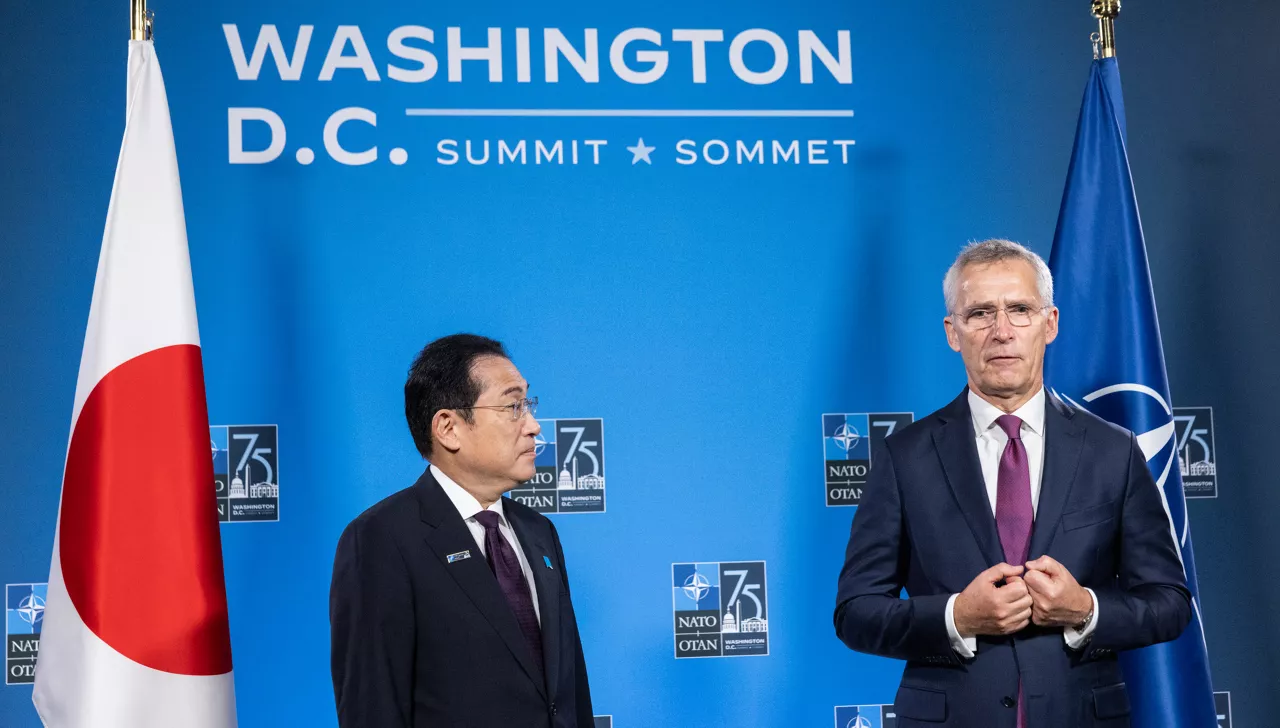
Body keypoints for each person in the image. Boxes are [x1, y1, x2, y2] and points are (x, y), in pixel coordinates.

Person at [833, 239, 1190, 727]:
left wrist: (1083, 609)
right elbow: (856, 612)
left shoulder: (1115, 451)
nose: (1001, 331)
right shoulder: (903, 458)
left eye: (1019, 309)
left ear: (1050, 323)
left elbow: (1169, 602)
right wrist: (957, 617)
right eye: (980, 313)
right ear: (952, 332)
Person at [331, 334, 594, 727]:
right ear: (448, 428)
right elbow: (374, 709)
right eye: (512, 406)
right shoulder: (380, 540)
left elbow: (570, 695)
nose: (535, 426)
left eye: (529, 404)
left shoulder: (540, 533)